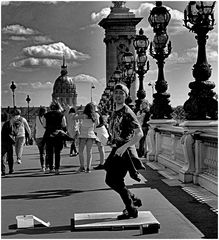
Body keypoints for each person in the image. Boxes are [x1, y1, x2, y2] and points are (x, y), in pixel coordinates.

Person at [104, 83, 145, 220]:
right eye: (116, 92)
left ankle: (131, 207)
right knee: (111, 179)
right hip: (117, 149)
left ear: (126, 96)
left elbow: (139, 134)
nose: (118, 95)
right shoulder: (115, 111)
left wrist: (124, 147)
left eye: (121, 93)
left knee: (113, 179)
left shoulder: (128, 112)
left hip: (124, 151)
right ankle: (132, 201)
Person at [43, 101, 67, 175]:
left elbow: (44, 125)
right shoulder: (61, 115)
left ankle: (50, 168)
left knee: (49, 152)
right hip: (58, 134)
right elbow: (64, 125)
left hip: (49, 134)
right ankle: (57, 168)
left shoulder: (46, 115)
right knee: (57, 152)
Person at [74, 103, 98, 173]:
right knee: (89, 152)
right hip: (91, 135)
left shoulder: (84, 116)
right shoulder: (95, 116)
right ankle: (88, 168)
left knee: (81, 152)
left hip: (83, 135)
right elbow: (97, 124)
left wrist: (77, 111)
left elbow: (73, 118)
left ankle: (82, 167)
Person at [33, 106, 47, 172]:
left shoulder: (36, 118)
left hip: (38, 136)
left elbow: (33, 128)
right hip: (46, 136)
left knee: (41, 153)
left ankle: (43, 167)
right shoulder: (46, 118)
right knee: (47, 152)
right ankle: (47, 166)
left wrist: (33, 137)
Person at [1, 111, 16, 176]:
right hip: (8, 141)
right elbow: (12, 132)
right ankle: (11, 169)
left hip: (2, 141)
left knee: (3, 156)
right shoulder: (8, 123)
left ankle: (3, 170)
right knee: (10, 156)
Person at [93, 104, 106, 170]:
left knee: (100, 148)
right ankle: (102, 163)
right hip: (102, 131)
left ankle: (102, 164)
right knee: (101, 148)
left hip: (99, 132)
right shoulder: (98, 113)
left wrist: (93, 128)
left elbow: (97, 123)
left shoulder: (95, 114)